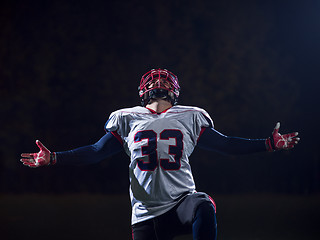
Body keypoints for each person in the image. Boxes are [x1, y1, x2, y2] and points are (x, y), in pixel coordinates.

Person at [21, 69, 300, 240]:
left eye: (164, 80)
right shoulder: (127, 118)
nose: (159, 81)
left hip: (181, 203)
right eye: (155, 80)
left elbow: (226, 145)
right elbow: (96, 152)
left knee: (203, 204)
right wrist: (55, 157)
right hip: (144, 215)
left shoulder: (190, 116)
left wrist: (268, 144)